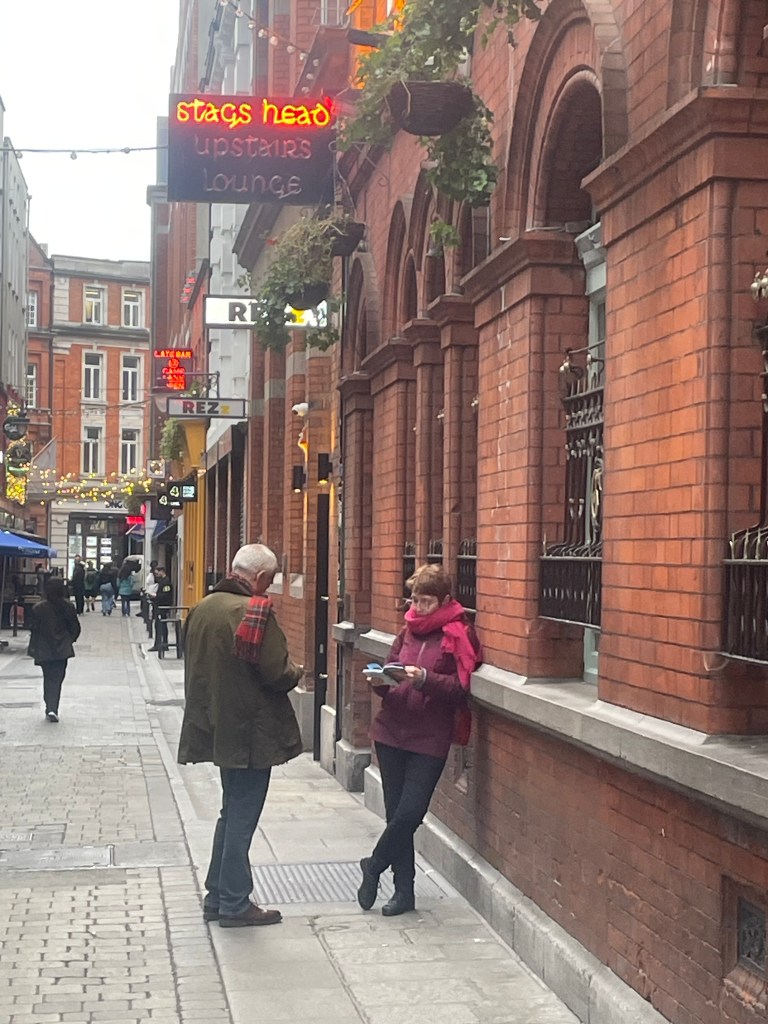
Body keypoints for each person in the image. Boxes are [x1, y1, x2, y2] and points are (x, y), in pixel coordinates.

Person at [177, 543, 304, 927]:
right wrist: (297, 670)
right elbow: (278, 673)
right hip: (251, 730)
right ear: (262, 577)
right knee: (242, 816)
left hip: (215, 724)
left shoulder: (202, 608)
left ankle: (218, 895)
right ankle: (234, 902)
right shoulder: (254, 612)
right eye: (270, 579)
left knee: (230, 811)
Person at [357, 564, 482, 917]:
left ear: (444, 600)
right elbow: (391, 668)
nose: (418, 607)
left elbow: (461, 687)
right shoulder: (406, 632)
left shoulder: (458, 635)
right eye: (414, 599)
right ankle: (403, 891)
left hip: (429, 735)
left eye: (426, 601)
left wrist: (425, 678)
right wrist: (382, 682)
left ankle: (374, 864)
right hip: (391, 731)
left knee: (411, 813)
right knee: (396, 815)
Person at [27, 576, 82, 723]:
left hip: (44, 648)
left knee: (48, 677)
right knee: (57, 679)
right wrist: (69, 640)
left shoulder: (38, 608)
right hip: (62, 648)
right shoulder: (68, 607)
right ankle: (52, 707)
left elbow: (33, 629)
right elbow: (75, 628)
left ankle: (50, 705)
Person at [148, 565, 173, 651]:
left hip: (162, 606)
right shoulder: (162, 581)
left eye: (158, 572)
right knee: (159, 625)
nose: (157, 574)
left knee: (161, 625)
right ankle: (160, 644)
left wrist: (155, 596)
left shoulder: (166, 582)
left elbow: (166, 595)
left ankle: (162, 644)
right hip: (160, 606)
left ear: (162, 571)